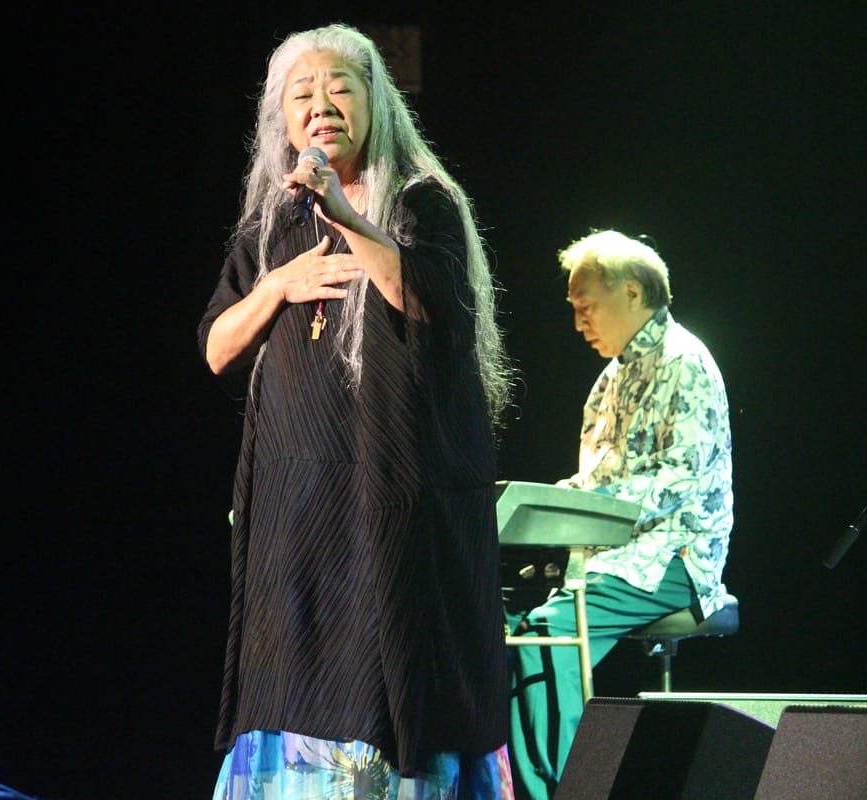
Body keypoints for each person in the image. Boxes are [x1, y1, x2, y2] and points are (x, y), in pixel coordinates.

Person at [197, 22, 518, 800]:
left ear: (376, 102)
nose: (320, 105)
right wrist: (277, 286)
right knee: (293, 675)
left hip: (393, 495)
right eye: (301, 94)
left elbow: (429, 301)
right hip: (296, 505)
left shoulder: (422, 203)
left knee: (387, 670)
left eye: (339, 87)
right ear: (281, 118)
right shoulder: (274, 225)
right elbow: (216, 347)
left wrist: (345, 214)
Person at [505, 230, 734, 800]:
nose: (578, 322)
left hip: (673, 555)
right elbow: (595, 480)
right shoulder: (611, 377)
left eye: (586, 306)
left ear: (632, 292)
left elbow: (677, 480)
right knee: (495, 618)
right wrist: (548, 505)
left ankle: (562, 789)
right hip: (611, 552)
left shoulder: (686, 361)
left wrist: (584, 512)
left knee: (548, 633)